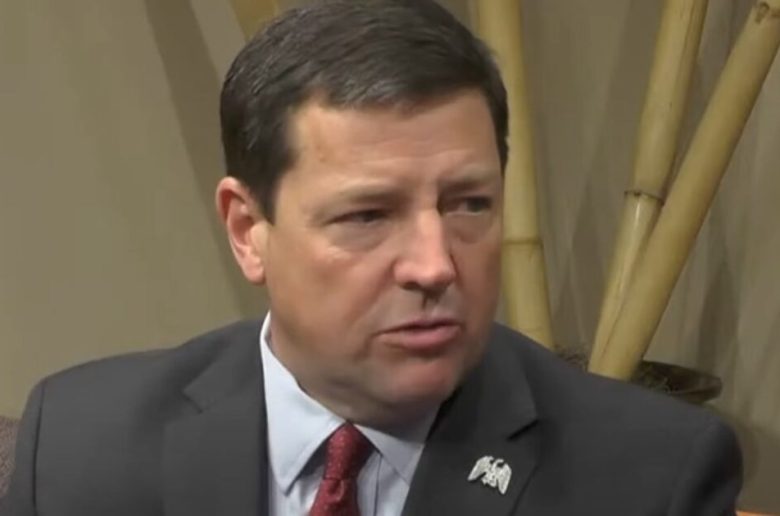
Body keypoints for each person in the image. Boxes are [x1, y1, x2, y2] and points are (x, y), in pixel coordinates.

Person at [1, 1, 742, 515]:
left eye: (468, 205)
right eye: (367, 215)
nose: (435, 265)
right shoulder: (80, 445)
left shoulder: (651, 479)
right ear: (248, 229)